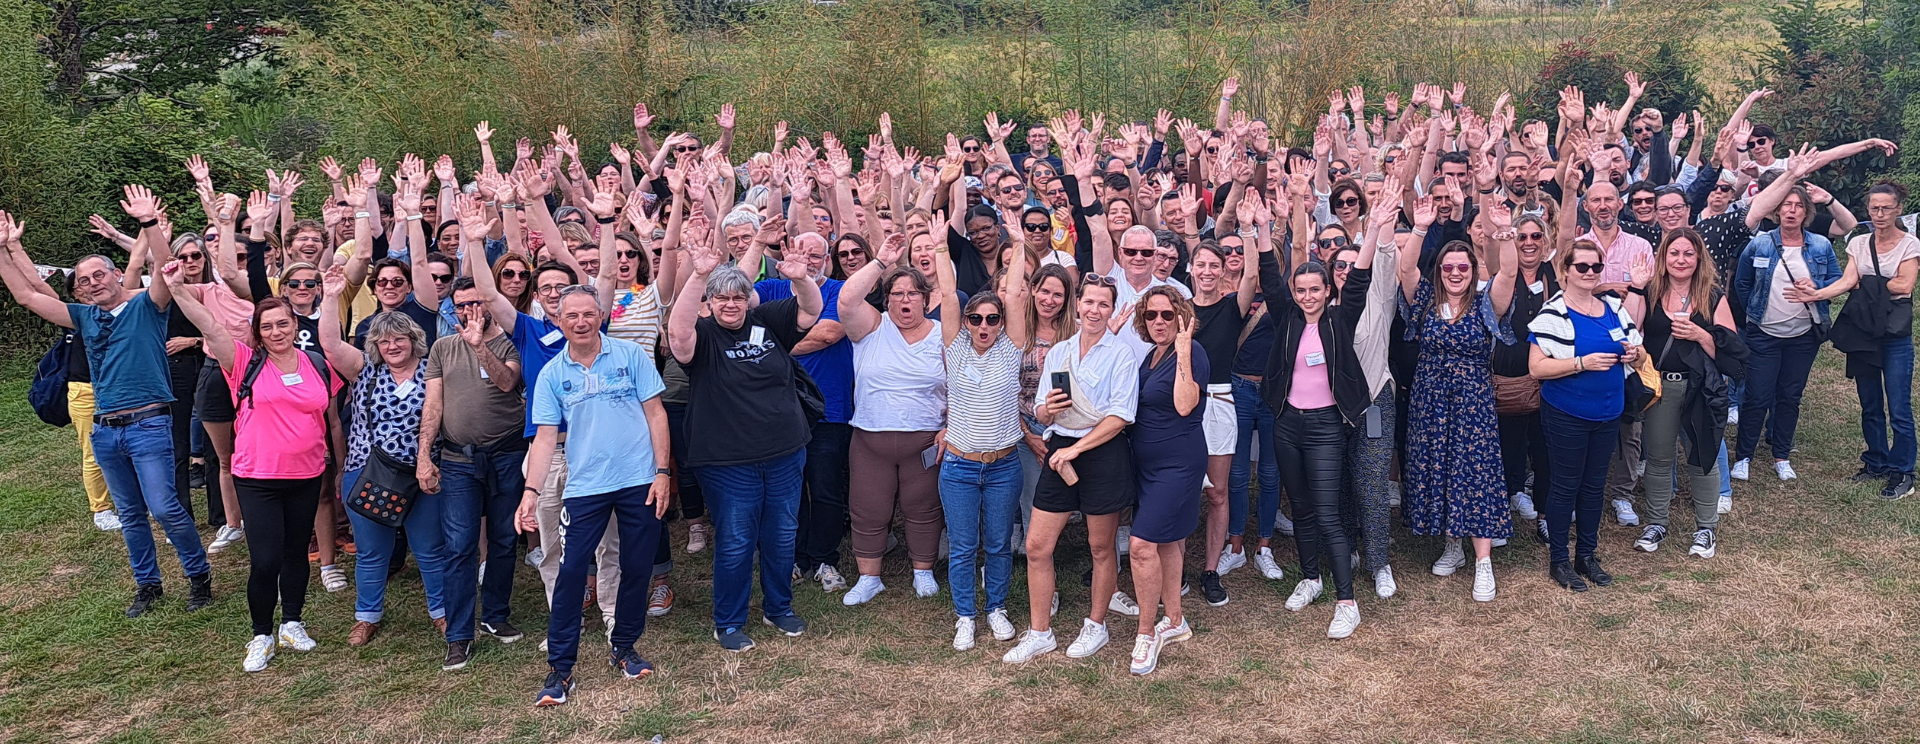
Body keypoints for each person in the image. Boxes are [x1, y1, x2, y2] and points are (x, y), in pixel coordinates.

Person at [0, 195, 215, 619]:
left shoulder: (147, 306)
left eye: (101, 274)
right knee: (131, 513)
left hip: (149, 424)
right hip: (106, 429)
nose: (94, 283)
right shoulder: (83, 317)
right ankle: (148, 586)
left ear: (118, 275)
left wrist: (149, 222)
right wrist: (3, 250)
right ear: (78, 290)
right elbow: (26, 295)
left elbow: (167, 268)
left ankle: (198, 577)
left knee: (164, 506)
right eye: (85, 280)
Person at [167, 269, 339, 672]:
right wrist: (177, 288)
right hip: (258, 477)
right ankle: (261, 633)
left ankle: (292, 622)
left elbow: (326, 417)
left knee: (297, 552)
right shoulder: (243, 362)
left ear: (296, 324)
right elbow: (209, 325)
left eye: (284, 323)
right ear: (257, 332)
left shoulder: (316, 362)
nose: (277, 331)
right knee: (265, 559)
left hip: (307, 474)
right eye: (268, 326)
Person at [515, 285, 672, 706]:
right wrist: (531, 491)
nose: (581, 322)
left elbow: (656, 413)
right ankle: (560, 669)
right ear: (559, 321)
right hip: (584, 487)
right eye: (572, 316)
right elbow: (546, 437)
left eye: (588, 314)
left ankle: (624, 647)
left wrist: (662, 473)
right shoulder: (551, 374)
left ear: (601, 315)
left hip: (639, 480)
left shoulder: (631, 356)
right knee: (570, 575)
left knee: (636, 568)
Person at [669, 239, 823, 653]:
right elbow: (677, 332)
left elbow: (810, 310)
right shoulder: (701, 335)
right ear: (710, 302)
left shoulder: (767, 320)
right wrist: (699, 274)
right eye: (721, 298)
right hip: (727, 461)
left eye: (738, 296)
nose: (731, 305)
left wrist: (801, 278)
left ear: (748, 298)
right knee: (736, 540)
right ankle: (730, 621)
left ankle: (779, 607)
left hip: (785, 452)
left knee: (781, 533)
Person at [1260, 184, 1379, 639]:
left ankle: (1346, 601)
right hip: (1287, 424)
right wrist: (1259, 229)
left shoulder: (1339, 318)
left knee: (1328, 513)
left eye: (1316, 289)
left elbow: (1362, 279)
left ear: (1328, 289)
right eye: (1301, 289)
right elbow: (1271, 277)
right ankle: (1310, 578)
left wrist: (1376, 229)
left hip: (1328, 425)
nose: (1308, 296)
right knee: (1303, 507)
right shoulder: (1287, 317)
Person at [1003, 272, 1138, 665]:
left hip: (1103, 451)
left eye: (1103, 304)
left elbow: (1120, 416)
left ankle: (1096, 625)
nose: (1095, 310)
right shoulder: (1060, 351)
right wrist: (1049, 410)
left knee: (1100, 546)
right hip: (1060, 447)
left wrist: (1075, 449)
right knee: (1037, 546)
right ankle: (1040, 631)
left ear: (1112, 310)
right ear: (1077, 305)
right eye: (1089, 302)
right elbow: (1042, 409)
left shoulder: (1121, 354)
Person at [1396, 195, 1515, 603]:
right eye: (1448, 267)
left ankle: (1483, 562)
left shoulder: (1485, 304)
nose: (1455, 272)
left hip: (1473, 401)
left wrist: (1503, 232)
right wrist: (1420, 227)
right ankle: (1452, 545)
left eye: (1464, 266)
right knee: (1441, 468)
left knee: (1476, 471)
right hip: (1430, 400)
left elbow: (1509, 274)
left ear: (1474, 270)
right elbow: (1406, 267)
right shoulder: (1425, 303)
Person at [318, 269, 446, 648]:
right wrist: (331, 297)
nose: (392, 345)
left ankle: (441, 611)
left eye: (400, 338)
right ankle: (367, 616)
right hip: (369, 471)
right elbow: (329, 343)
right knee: (372, 552)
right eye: (384, 340)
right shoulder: (364, 370)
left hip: (422, 474)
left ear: (414, 340)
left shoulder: (433, 372)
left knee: (429, 548)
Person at [420, 277, 530, 667]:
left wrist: (479, 345)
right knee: (460, 546)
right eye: (461, 305)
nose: (469, 312)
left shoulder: (514, 340)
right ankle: (459, 634)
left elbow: (507, 383)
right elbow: (433, 405)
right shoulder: (441, 348)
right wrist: (424, 455)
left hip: (506, 455)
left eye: (476, 303)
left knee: (503, 539)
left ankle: (496, 616)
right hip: (458, 460)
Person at [927, 230, 1025, 651]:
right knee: (964, 546)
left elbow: (1018, 293)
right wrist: (939, 247)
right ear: (966, 323)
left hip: (1004, 464)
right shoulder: (955, 348)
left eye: (992, 319)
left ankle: (997, 608)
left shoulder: (1012, 348)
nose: (984, 325)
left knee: (1000, 544)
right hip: (960, 467)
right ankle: (965, 615)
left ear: (1002, 323)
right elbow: (948, 296)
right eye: (976, 319)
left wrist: (1019, 246)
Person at [836, 245, 948, 606]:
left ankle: (923, 571)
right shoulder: (871, 325)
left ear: (926, 300)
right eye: (896, 294)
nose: (904, 300)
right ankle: (869, 578)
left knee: (924, 506)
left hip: (925, 438)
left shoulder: (943, 335)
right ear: (886, 300)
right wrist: (882, 261)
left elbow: (961, 384)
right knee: (868, 507)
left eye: (912, 293)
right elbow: (848, 298)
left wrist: (952, 426)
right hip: (871, 438)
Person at [1527, 239, 1639, 592]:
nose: (1590, 273)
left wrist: (1636, 354)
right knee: (1565, 486)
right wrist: (1581, 363)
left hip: (1608, 412)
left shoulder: (1612, 308)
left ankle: (1587, 555)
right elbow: (1536, 368)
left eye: (1596, 267)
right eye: (1582, 267)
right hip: (1567, 413)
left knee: (1593, 488)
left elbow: (1639, 348)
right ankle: (1559, 560)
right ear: (1565, 272)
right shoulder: (1553, 312)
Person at [1625, 228, 1742, 560]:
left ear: (1698, 258)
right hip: (1660, 386)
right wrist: (1635, 285)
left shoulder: (1713, 296)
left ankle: (1706, 528)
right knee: (1659, 460)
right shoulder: (1650, 292)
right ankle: (1657, 523)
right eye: (1674, 253)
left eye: (1688, 254)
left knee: (1702, 456)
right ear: (1663, 258)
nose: (1680, 260)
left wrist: (1701, 335)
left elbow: (1733, 352)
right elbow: (1630, 330)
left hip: (1699, 387)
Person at [756, 231, 858, 596]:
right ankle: (795, 557)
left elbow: (827, 334)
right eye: (800, 253)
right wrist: (755, 246)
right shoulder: (770, 289)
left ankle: (825, 557)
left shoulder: (839, 291)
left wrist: (770, 344)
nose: (808, 261)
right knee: (788, 489)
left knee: (826, 487)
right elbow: (735, 316)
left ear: (827, 260)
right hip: (779, 408)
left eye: (815, 255)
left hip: (828, 407)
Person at [1730, 186, 1839, 482]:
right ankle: (1744, 456)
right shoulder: (1760, 244)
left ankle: (1782, 455)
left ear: (1806, 212)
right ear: (1776, 211)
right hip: (1764, 334)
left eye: (1798, 206)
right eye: (1785, 205)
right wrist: (1756, 313)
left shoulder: (1820, 245)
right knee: (1757, 396)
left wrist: (1815, 287)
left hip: (1803, 336)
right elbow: (1742, 283)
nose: (1791, 211)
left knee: (1790, 396)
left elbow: (1837, 279)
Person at [1121, 286, 1204, 674]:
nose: (1158, 322)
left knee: (1140, 546)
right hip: (1147, 466)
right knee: (1167, 540)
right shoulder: (1151, 357)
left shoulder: (1191, 353)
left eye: (1167, 315)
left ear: (1181, 317)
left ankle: (1146, 633)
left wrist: (1185, 348)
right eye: (1151, 315)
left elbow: (1186, 404)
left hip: (1178, 465)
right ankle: (1174, 619)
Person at [1823, 183, 1919, 499]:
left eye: (1886, 208)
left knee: (1900, 407)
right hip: (1864, 331)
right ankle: (1876, 461)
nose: (1879, 214)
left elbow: (1906, 283)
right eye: (1874, 208)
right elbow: (1849, 281)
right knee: (1869, 403)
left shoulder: (1910, 245)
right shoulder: (1860, 243)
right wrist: (1816, 294)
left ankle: (1903, 471)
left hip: (1894, 337)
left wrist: (1867, 283)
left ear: (1898, 209)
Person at [1333, 186, 1406, 599]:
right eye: (1338, 266)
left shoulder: (1379, 298)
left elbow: (1382, 260)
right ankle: (1349, 553)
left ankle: (1380, 562)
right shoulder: (1321, 310)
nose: (1345, 270)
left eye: (1350, 263)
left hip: (1376, 398)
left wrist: (1379, 227)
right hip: (1332, 407)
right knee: (1340, 480)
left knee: (1373, 482)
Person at [1184, 237, 1257, 604]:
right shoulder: (1179, 310)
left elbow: (1253, 273)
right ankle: (1175, 565)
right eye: (1202, 265)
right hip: (1181, 405)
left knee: (1217, 491)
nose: (1208, 271)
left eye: (1215, 265)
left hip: (1220, 401)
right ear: (1192, 269)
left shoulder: (1233, 308)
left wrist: (1248, 229)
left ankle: (1211, 570)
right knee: (1181, 489)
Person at [1490, 214, 1557, 538]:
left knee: (1545, 452)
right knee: (1504, 450)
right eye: (1522, 237)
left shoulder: (1554, 276)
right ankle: (1501, 518)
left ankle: (1545, 516)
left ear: (1545, 242)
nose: (1529, 243)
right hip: (1509, 379)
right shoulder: (1505, 277)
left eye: (1535, 236)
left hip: (1549, 379)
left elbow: (1570, 234)